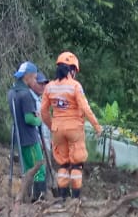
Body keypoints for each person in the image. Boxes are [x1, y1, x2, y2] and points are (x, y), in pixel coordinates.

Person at [39, 52, 102, 200]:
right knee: (76, 164)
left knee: (63, 165)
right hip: (74, 129)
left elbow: (43, 111)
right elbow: (86, 108)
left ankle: (61, 197)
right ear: (72, 70)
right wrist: (97, 126)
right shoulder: (75, 86)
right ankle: (76, 198)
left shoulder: (49, 87)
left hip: (58, 130)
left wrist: (52, 126)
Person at [8, 61, 47, 201]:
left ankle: (26, 196)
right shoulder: (25, 95)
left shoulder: (12, 92)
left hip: (19, 138)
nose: (36, 80)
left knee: (27, 169)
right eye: (35, 77)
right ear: (28, 77)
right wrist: (39, 119)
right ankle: (39, 198)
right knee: (38, 169)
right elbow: (29, 119)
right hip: (29, 138)